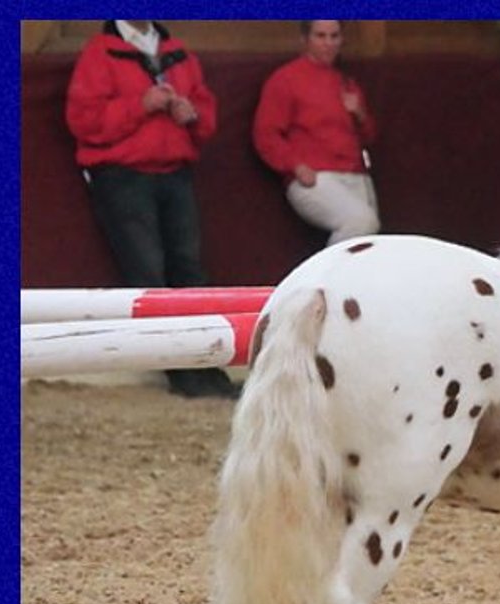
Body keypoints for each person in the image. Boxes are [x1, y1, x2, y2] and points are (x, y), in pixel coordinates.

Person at [66, 20, 236, 398]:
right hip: (123, 176)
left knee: (190, 272)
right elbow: (84, 121)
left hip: (174, 171)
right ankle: (182, 373)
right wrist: (140, 106)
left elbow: (206, 116)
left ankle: (206, 368)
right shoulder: (99, 53)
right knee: (150, 275)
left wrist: (192, 115)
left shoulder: (177, 50)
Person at [253, 20, 380, 246]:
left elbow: (369, 137)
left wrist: (359, 113)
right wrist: (295, 165)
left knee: (367, 241)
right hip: (316, 177)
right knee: (362, 221)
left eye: (334, 36)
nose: (328, 43)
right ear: (305, 40)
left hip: (355, 174)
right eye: (320, 36)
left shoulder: (346, 83)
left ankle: (338, 280)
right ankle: (323, 278)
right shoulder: (286, 79)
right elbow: (266, 134)